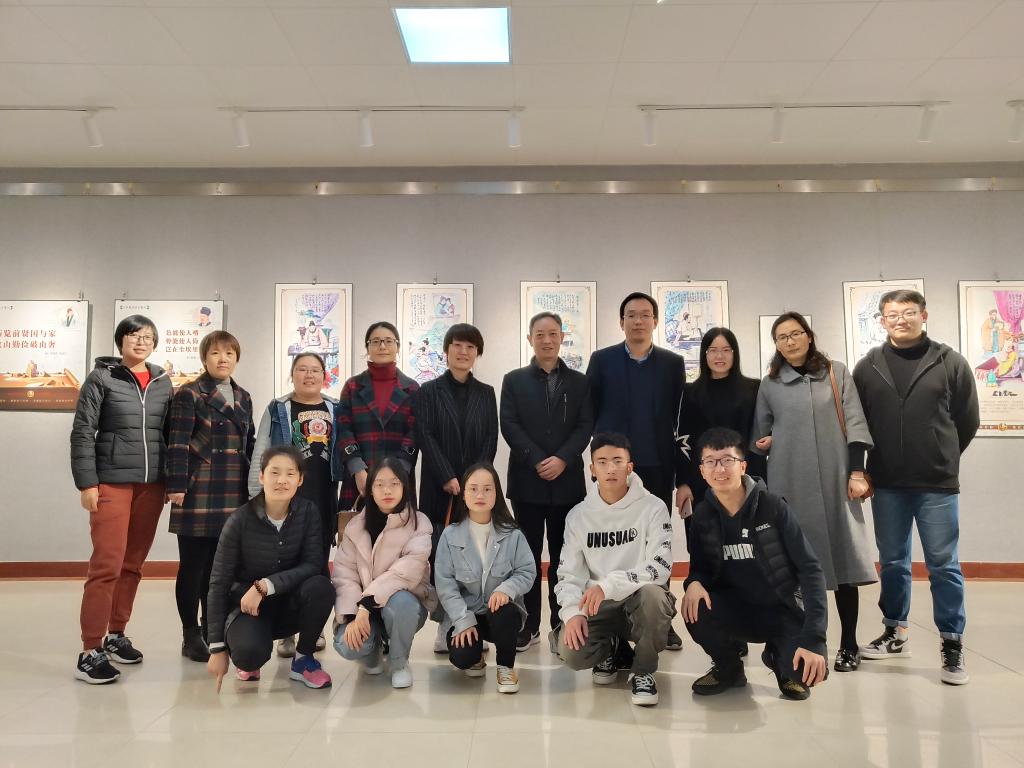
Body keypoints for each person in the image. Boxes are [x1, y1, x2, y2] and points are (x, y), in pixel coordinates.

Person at [853, 289, 979, 685]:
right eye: (892, 314)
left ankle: (952, 643)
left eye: (909, 312)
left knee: (944, 565)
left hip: (936, 483)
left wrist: (943, 455)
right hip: (887, 482)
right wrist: (861, 470)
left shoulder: (950, 362)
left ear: (924, 315)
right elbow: (857, 424)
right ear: (882, 321)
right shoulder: (868, 367)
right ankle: (895, 630)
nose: (901, 320)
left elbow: (967, 419)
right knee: (892, 561)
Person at [751, 312, 876, 673]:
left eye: (795, 334)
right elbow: (759, 435)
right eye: (781, 337)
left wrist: (856, 471)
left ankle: (848, 644)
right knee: (793, 570)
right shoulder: (770, 384)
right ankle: (797, 641)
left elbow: (855, 423)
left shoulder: (837, 373)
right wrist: (765, 442)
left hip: (837, 482)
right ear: (776, 345)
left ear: (809, 336)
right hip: (790, 483)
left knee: (844, 566)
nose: (789, 341)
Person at [683, 428, 829, 701]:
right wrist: (693, 583)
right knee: (695, 606)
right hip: (735, 610)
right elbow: (699, 568)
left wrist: (815, 639)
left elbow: (811, 569)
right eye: (711, 462)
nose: (719, 469)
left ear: (743, 466)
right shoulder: (702, 515)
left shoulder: (773, 507)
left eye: (727, 460)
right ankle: (729, 668)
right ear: (702, 471)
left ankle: (779, 656)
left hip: (781, 609)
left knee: (806, 674)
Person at [70, 315, 173, 684]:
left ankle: (116, 635)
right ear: (120, 341)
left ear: (154, 343)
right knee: (107, 566)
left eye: (147, 336)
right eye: (134, 335)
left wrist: (170, 479)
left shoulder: (162, 381)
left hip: (151, 485)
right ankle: (89, 650)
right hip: (111, 483)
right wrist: (87, 483)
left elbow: (169, 433)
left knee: (132, 565)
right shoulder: (102, 378)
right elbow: (83, 431)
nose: (141, 341)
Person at [586, 291, 686, 651]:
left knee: (657, 542)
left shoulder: (673, 363)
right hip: (613, 469)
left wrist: (682, 474)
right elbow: (589, 411)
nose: (638, 320)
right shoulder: (602, 360)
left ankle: (661, 619)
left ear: (655, 321)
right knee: (613, 542)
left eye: (645, 314)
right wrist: (599, 461)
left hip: (658, 464)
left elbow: (679, 420)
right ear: (621, 321)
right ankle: (613, 622)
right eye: (631, 315)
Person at [553, 433, 676, 707]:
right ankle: (609, 648)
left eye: (618, 461)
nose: (611, 468)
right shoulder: (578, 516)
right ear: (592, 469)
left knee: (654, 596)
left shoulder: (653, 507)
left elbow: (661, 566)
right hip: (598, 606)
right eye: (602, 462)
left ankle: (644, 671)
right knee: (571, 652)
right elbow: (569, 574)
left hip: (638, 600)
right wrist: (572, 613)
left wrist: (608, 585)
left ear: (630, 467)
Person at [500, 311, 593, 650]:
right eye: (540, 334)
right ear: (530, 339)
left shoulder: (580, 382)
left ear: (562, 337)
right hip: (528, 481)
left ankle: (560, 620)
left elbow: (585, 425)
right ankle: (528, 624)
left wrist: (563, 458)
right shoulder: (514, 380)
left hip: (567, 483)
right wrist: (538, 458)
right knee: (526, 558)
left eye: (553, 334)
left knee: (563, 557)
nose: (547, 340)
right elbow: (509, 424)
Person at [205, 446, 334, 690]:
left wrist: (266, 586)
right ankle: (250, 656)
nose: (282, 480)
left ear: (300, 479)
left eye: (290, 474)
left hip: (290, 604)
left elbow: (312, 564)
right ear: (262, 476)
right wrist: (217, 647)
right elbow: (218, 583)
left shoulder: (308, 512)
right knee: (248, 654)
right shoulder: (239, 520)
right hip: (250, 609)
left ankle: (303, 659)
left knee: (321, 587)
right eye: (275, 472)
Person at [166, 330, 255, 664]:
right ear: (204, 358)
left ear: (237, 358)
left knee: (220, 568)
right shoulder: (189, 393)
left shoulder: (244, 396)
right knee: (193, 566)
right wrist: (176, 484)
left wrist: (254, 486)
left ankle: (211, 629)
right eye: (216, 353)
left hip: (233, 487)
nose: (223, 359)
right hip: (198, 487)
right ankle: (190, 635)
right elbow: (177, 442)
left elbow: (248, 443)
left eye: (229, 353)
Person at [249, 352, 341, 656]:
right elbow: (261, 449)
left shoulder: (335, 408)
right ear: (292, 374)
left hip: (323, 499)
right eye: (302, 369)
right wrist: (255, 495)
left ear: (324, 376)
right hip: (285, 500)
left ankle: (313, 628)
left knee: (318, 564)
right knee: (285, 564)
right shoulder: (278, 408)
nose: (309, 375)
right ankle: (286, 632)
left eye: (315, 370)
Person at [415, 323, 498, 652]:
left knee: (476, 556)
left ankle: (473, 620)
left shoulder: (486, 393)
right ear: (446, 350)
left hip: (475, 492)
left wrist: (473, 481)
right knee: (441, 556)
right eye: (457, 345)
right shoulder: (428, 391)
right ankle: (444, 624)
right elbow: (425, 435)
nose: (464, 352)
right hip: (439, 488)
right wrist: (447, 476)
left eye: (470, 347)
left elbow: (490, 438)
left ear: (478, 353)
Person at [434, 463, 536, 694]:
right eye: (473, 489)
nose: (480, 495)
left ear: (496, 493)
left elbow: (527, 571)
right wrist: (462, 620)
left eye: (487, 489)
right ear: (463, 494)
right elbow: (445, 585)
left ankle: (505, 667)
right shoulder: (450, 535)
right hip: (466, 613)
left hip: (499, 614)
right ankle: (476, 656)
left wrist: (506, 590)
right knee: (463, 657)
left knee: (506, 613)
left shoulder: (512, 534)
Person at [332, 459, 434, 689]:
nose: (387, 490)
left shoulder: (419, 523)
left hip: (400, 609)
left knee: (403, 603)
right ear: (370, 489)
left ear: (405, 487)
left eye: (394, 483)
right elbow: (344, 576)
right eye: (379, 484)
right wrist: (352, 616)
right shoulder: (355, 527)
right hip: (362, 609)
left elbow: (404, 573)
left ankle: (399, 663)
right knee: (347, 645)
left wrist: (366, 605)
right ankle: (372, 652)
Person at [675, 327, 765, 522]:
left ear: (735, 353)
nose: (719, 356)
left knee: (747, 538)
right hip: (702, 482)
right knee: (706, 538)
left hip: (745, 479)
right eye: (713, 350)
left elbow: (760, 433)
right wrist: (683, 482)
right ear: (704, 354)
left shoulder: (754, 389)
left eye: (726, 350)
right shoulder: (691, 392)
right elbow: (683, 440)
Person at [336, 321, 419, 512]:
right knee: (357, 529)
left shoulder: (412, 388)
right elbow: (344, 428)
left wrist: (399, 473)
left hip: (400, 478)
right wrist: (357, 469)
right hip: (360, 478)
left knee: (400, 528)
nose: (382, 346)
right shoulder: (352, 386)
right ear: (367, 348)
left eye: (388, 341)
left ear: (398, 347)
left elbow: (414, 432)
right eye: (376, 341)